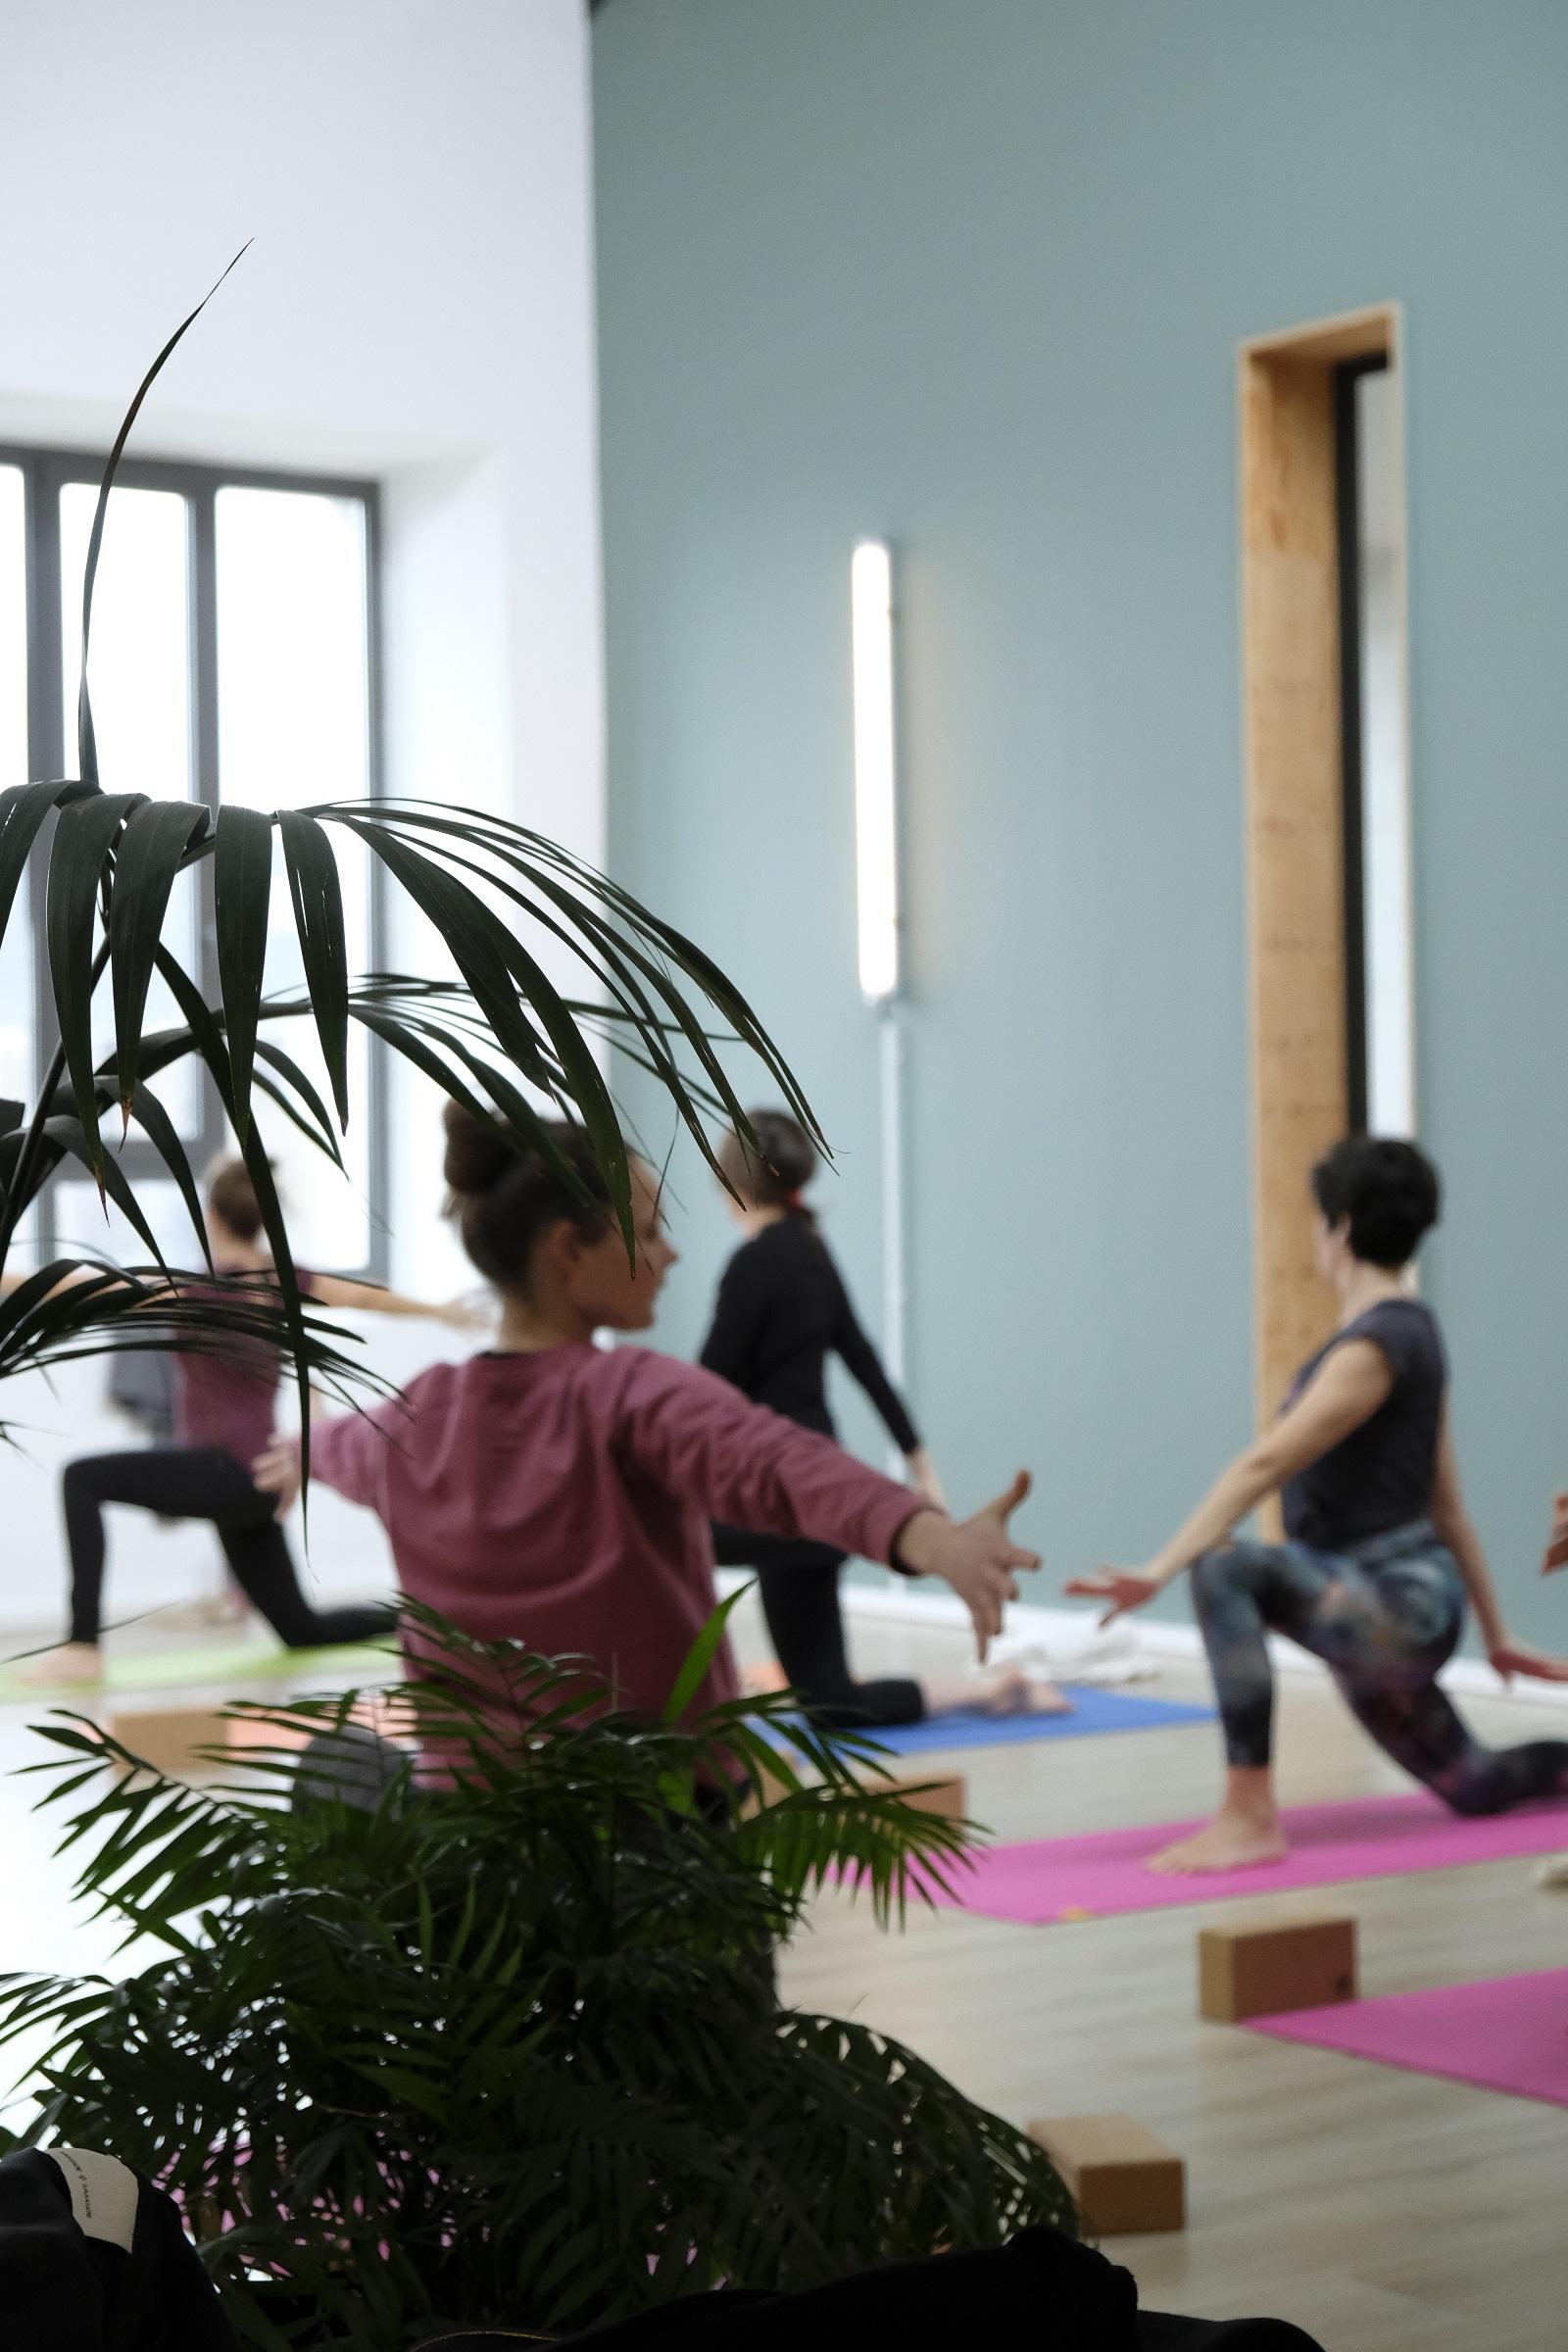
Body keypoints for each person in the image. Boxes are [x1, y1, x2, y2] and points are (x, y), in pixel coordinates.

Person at [251, 1109, 1038, 1746]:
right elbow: (778, 1463)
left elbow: (341, 1447)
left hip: (477, 1826)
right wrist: (934, 1539)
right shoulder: (629, 1395)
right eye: (650, 1230)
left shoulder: (413, 1416)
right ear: (569, 1250)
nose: (669, 1255)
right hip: (655, 1828)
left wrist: (299, 1455)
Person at [1068, 1136, 1568, 1873]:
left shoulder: (1378, 1343)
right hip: (1394, 1603)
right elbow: (1450, 1504)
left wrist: (1160, 1567)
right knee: (1478, 1783)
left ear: (1338, 1227)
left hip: (1392, 1605)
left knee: (1224, 1569)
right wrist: (1495, 1634)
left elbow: (1266, 1461)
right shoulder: (1412, 1332)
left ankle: (1249, 1817)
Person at [23, 1157, 478, 1687]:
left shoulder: (193, 1290)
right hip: (259, 1478)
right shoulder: (283, 1280)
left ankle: (83, 1646)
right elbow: (365, 1296)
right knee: (303, 1629)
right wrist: (438, 1311)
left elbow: (77, 1285)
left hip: (228, 1473)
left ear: (212, 1217)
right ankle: (440, 1623)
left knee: (83, 1477)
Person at [701, 1110, 1066, 1729]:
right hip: (817, 1500)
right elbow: (863, 1360)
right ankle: (993, 1688)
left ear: (729, 1181)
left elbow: (705, 1392)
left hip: (771, 1494)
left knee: (652, 1528)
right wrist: (922, 1463)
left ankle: (681, 1696)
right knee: (831, 1702)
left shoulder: (754, 1263)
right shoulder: (812, 1252)